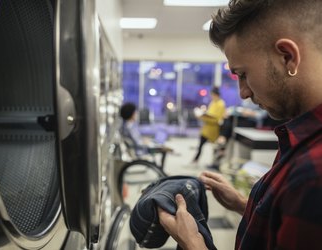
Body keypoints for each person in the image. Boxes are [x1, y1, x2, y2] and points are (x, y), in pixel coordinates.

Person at [158, 0, 322, 249]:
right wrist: (245, 203)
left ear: (287, 57)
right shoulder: (300, 139)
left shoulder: (313, 175)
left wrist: (192, 243)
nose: (243, 92)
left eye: (243, 74)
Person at [119, 102, 172, 169]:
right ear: (131, 114)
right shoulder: (130, 127)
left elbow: (136, 139)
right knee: (163, 149)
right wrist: (147, 143)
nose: (136, 114)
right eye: (135, 112)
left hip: (139, 148)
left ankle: (159, 169)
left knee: (160, 144)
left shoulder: (125, 126)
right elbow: (138, 143)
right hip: (142, 150)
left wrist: (145, 140)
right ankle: (160, 171)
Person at [192, 87, 226, 164]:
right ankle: (196, 159)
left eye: (212, 95)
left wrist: (204, 117)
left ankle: (214, 163)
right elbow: (209, 113)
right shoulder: (213, 102)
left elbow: (217, 119)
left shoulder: (221, 104)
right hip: (206, 129)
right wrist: (203, 115)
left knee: (215, 148)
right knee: (201, 145)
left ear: (216, 95)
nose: (211, 96)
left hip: (213, 129)